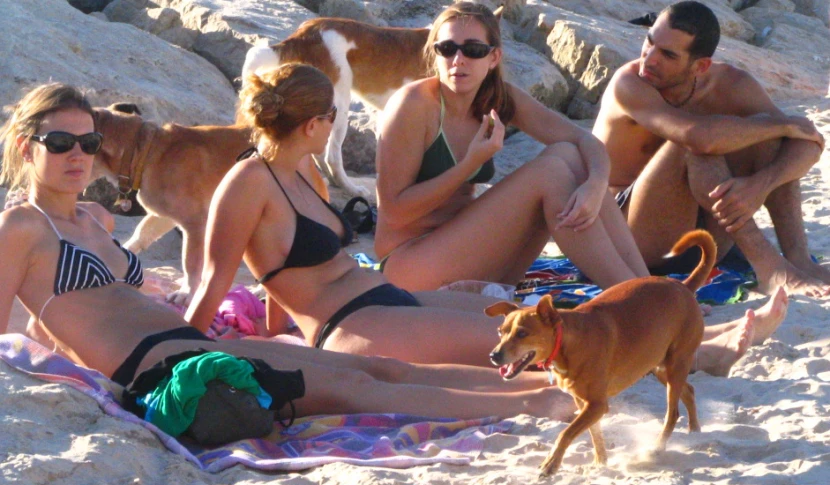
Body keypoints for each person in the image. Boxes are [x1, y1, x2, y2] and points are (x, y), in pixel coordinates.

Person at [0, 81, 584, 422]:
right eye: (60, 143)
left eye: (89, 141)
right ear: (27, 148)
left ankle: (546, 390)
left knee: (380, 369)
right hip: (165, 374)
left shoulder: (97, 218)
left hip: (196, 347)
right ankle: (533, 407)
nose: (78, 154)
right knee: (362, 389)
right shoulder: (20, 226)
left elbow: (73, 317)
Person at [184, 62, 784, 378]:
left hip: (383, 295)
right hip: (350, 324)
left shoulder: (305, 174)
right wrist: (171, 356)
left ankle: (691, 332)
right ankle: (703, 353)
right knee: (534, 354)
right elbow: (215, 283)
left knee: (538, 325)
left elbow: (273, 276)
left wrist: (269, 329)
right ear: (314, 123)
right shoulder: (244, 185)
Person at [374, 1, 649, 293]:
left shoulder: (498, 98)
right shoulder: (414, 105)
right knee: (551, 173)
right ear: (435, 53)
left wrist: (595, 185)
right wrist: (469, 164)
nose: (458, 59)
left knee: (567, 155)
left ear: (494, 57)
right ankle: (634, 297)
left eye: (473, 50)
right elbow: (394, 212)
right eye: (447, 48)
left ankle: (649, 287)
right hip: (409, 265)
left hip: (473, 255)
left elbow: (584, 141)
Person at [593, 1, 828, 297]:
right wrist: (781, 125)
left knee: (766, 140)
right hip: (627, 237)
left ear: (700, 66)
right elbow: (698, 138)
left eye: (667, 55)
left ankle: (798, 259)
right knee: (695, 144)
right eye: (649, 42)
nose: (649, 59)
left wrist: (759, 184)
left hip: (706, 234)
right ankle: (769, 266)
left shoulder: (731, 84)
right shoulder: (629, 84)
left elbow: (809, 143)